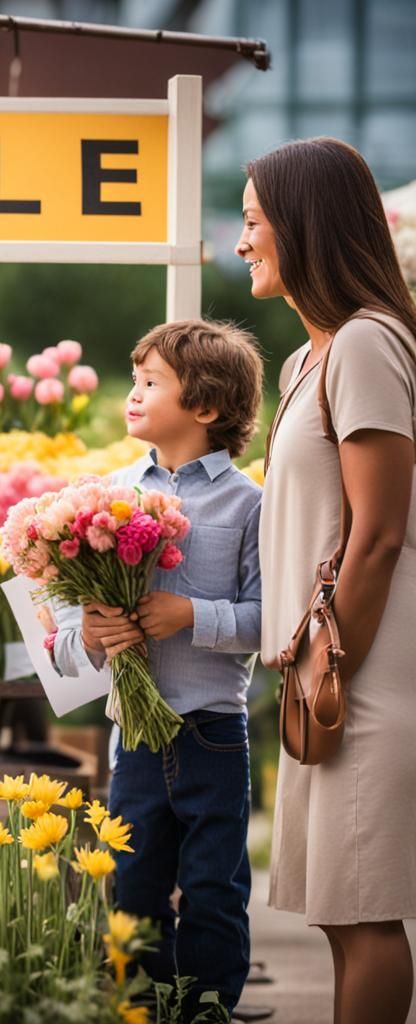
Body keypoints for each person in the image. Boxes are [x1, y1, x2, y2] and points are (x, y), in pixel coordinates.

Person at [237, 137, 416, 1024]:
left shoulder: (368, 345)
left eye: (253, 221)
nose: (241, 243)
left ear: (304, 226)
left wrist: (327, 660)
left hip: (362, 668)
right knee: (342, 916)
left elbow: (379, 534)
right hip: (328, 662)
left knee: (367, 912)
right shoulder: (311, 359)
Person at [47, 318, 264, 1018]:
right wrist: (95, 634)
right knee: (134, 889)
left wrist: (188, 617)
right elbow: (64, 645)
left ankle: (207, 1010)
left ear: (204, 408)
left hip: (213, 733)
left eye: (150, 382)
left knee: (215, 888)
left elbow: (269, 620)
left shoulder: (249, 505)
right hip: (132, 738)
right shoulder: (102, 497)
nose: (132, 394)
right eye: (135, 380)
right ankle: (143, 1007)